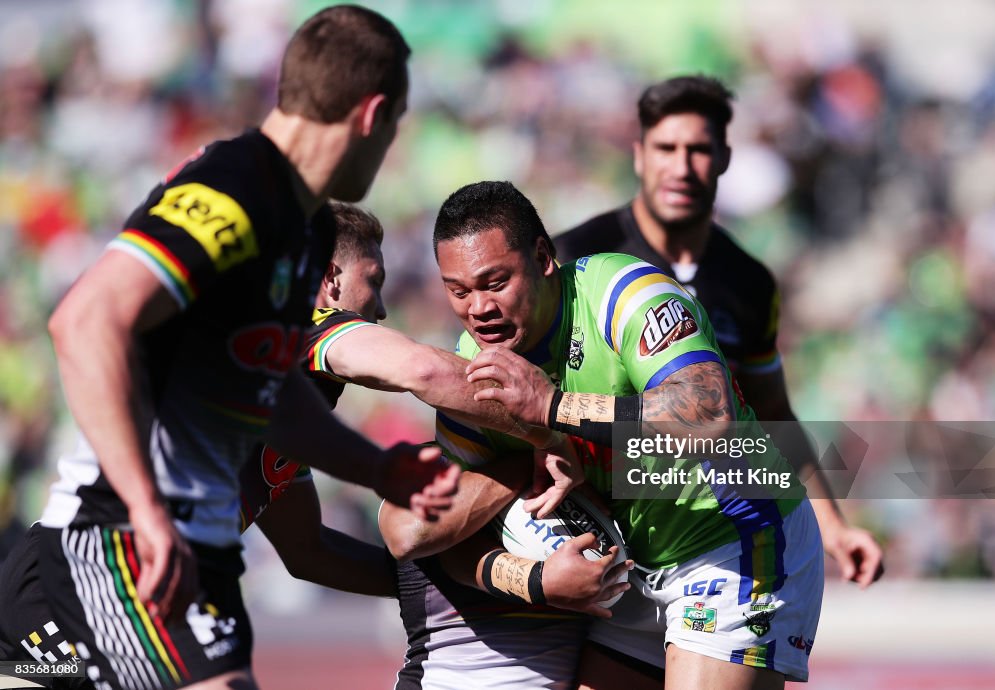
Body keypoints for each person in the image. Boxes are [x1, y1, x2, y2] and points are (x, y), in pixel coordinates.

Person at [3, 7, 462, 690]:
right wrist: (147, 509)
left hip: (189, 557)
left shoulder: (301, 234)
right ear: (373, 114)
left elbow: (269, 398)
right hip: (121, 542)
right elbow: (86, 320)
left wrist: (377, 469)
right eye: (396, 126)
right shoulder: (236, 184)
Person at [0, 200, 619, 689]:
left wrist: (479, 578)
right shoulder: (303, 332)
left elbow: (309, 553)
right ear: (329, 280)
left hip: (95, 588)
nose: (378, 308)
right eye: (371, 283)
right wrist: (552, 431)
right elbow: (424, 373)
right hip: (88, 584)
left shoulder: (284, 398)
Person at [385, 180, 824, 689]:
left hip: (737, 540)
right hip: (638, 572)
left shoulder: (624, 293)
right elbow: (434, 537)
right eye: (458, 291)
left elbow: (709, 414)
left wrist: (551, 407)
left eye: (495, 282)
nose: (478, 308)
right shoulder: (474, 368)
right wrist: (534, 579)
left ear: (544, 258)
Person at [555, 74, 885, 599]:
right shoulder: (577, 256)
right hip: (603, 538)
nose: (681, 167)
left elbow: (774, 412)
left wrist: (834, 527)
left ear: (725, 158)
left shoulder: (749, 282)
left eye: (699, 150)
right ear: (639, 155)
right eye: (666, 148)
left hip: (716, 544)